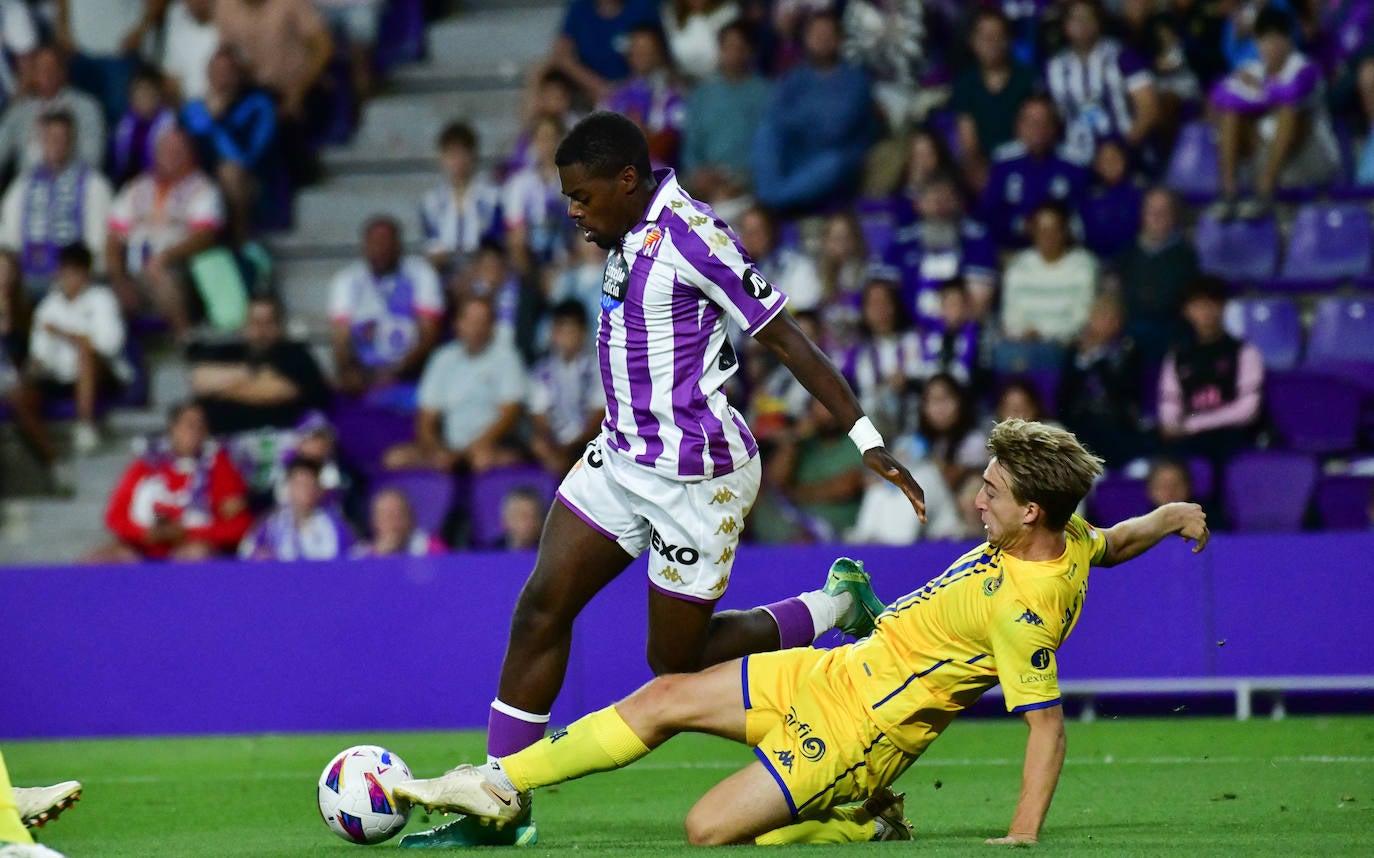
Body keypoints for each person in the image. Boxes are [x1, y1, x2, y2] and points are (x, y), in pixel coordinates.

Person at [396, 111, 925, 848]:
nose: (573, 212)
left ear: (625, 181)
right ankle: (497, 799)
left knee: (676, 665)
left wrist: (865, 436)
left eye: (582, 198)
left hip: (695, 480)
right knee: (541, 607)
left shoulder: (695, 236)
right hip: (619, 459)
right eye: (567, 198)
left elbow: (784, 335)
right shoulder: (618, 228)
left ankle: (836, 603)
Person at [397, 419, 1211, 848]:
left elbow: (1045, 726)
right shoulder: (1065, 538)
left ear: (1029, 510)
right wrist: (1170, 515)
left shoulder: (1026, 606)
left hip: (856, 734)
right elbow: (1113, 543)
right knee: (666, 693)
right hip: (837, 670)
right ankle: (499, 782)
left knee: (705, 832)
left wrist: (1024, 834)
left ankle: (855, 820)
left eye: (991, 493)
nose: (978, 502)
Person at [1207, 5, 1341, 220]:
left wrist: (1260, 88)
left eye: (1279, 38)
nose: (1273, 46)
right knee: (1230, 113)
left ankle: (1264, 190)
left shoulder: (1305, 67)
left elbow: (1292, 92)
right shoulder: (1251, 69)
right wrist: (1259, 90)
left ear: (1289, 40)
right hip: (1270, 158)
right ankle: (1228, 192)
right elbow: (1219, 95)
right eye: (1266, 39)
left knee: (1290, 111)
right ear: (1257, 42)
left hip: (1312, 159)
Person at [9, 244, 130, 469]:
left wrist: (65, 335)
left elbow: (108, 345)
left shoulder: (102, 299)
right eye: (66, 272)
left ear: (86, 274)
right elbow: (40, 352)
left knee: (85, 355)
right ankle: (54, 462)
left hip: (102, 374)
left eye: (77, 273)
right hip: (59, 375)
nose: (71, 278)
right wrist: (35, 366)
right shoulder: (48, 306)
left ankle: (85, 424)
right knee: (19, 395)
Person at [88, 401, 253, 562]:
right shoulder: (145, 465)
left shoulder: (220, 467)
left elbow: (240, 526)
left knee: (195, 554)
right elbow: (115, 516)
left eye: (200, 426)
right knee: (100, 559)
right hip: (144, 546)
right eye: (188, 425)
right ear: (172, 429)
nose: (195, 432)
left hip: (194, 547)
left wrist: (187, 533)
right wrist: (146, 534)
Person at [380, 296, 527, 474]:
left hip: (490, 446)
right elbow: (426, 417)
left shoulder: (507, 357)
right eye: (471, 321)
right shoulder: (443, 358)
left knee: (482, 460)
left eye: (483, 322)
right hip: (449, 446)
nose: (476, 329)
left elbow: (509, 415)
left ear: (492, 326)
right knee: (395, 458)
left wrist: (473, 448)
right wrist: (435, 450)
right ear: (458, 323)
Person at [105, 128, 226, 338]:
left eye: (177, 150)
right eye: (165, 150)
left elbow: (205, 236)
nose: (171, 155)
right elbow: (113, 239)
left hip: (178, 267)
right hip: (132, 270)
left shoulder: (203, 188)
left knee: (161, 277)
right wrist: (119, 279)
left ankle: (186, 341)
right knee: (103, 297)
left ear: (190, 153)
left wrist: (167, 256)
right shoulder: (136, 187)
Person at [752, 11, 877, 212]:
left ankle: (771, 202)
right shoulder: (794, 77)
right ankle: (773, 195)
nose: (821, 38)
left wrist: (799, 118)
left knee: (832, 162)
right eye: (816, 33)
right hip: (796, 154)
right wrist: (812, 117)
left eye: (828, 33)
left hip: (835, 160)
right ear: (806, 38)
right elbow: (775, 119)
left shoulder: (855, 79)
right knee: (766, 131)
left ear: (839, 39)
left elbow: (835, 128)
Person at [329, 216, 443, 401]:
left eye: (387, 242)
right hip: (363, 373)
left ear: (399, 246)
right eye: (375, 243)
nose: (381, 249)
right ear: (364, 247)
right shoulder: (346, 280)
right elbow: (340, 338)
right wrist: (349, 370)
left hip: (411, 371)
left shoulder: (421, 275)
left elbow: (429, 334)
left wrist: (398, 370)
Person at [1157, 275, 1264, 467]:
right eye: (1197, 306)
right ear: (1186, 312)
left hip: (1229, 433)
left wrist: (1193, 424)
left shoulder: (1244, 352)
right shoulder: (1177, 356)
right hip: (1190, 436)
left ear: (1222, 307)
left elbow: (1248, 409)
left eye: (1210, 305)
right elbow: (1169, 400)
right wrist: (1171, 423)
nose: (1205, 312)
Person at [0, 111, 113, 292]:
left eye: (62, 138)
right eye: (50, 137)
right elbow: (8, 235)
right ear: (41, 141)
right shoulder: (23, 184)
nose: (56, 144)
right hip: (26, 277)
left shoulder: (93, 184)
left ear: (72, 142)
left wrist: (77, 271)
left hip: (75, 278)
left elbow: (99, 240)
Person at [189, 295, 330, 436]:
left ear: (279, 325)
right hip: (227, 441)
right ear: (244, 324)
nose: (261, 329)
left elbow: (275, 392)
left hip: (284, 441)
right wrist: (253, 374)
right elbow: (200, 380)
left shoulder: (296, 355)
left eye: (268, 322)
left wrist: (222, 390)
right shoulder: (228, 351)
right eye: (255, 322)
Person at [179, 46, 279, 243]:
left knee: (230, 173)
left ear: (238, 75)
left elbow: (251, 156)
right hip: (199, 175)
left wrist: (218, 121)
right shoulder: (193, 109)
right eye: (216, 72)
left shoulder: (258, 105)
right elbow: (182, 150)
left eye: (228, 72)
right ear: (208, 75)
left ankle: (239, 243)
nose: (222, 78)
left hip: (249, 178)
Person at [1045, 0, 1158, 167]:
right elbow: (1049, 113)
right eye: (1074, 19)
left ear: (1099, 22)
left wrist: (1126, 146)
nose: (1081, 24)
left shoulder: (1122, 56)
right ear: (1065, 25)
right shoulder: (1054, 66)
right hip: (1074, 155)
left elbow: (1149, 108)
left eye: (1087, 18)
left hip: (1124, 149)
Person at [976, 96, 1090, 249]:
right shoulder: (1004, 161)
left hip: (1062, 249)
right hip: (1012, 248)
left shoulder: (1073, 163)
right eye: (1030, 123)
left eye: (1044, 122)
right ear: (1019, 127)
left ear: (1055, 127)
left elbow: (1082, 214)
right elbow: (990, 211)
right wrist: (1020, 225)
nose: (1038, 129)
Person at [679, 20, 771, 210]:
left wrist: (739, 180)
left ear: (750, 51)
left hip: (747, 178)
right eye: (727, 47)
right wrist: (699, 173)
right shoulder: (702, 93)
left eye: (739, 47)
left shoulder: (767, 94)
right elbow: (691, 144)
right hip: (705, 177)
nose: (733, 54)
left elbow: (767, 147)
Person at [1106, 186, 1198, 366]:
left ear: (1174, 216)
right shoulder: (1126, 256)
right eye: (1151, 211)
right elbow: (1114, 299)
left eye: (1163, 212)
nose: (1156, 217)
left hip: (1171, 332)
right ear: (1143, 214)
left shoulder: (1187, 257)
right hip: (1130, 331)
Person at [998, 203, 1100, 361]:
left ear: (1065, 231)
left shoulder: (1083, 265)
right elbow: (1011, 317)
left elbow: (1082, 318)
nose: (1047, 236)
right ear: (1033, 231)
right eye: (1041, 229)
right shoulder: (1018, 267)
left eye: (1054, 229)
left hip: (1066, 347)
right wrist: (1024, 333)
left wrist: (1045, 335)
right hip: (1024, 344)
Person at [951, 8, 1037, 191]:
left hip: (1022, 163)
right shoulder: (965, 84)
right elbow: (968, 141)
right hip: (982, 169)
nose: (991, 43)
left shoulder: (1027, 79)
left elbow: (1033, 130)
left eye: (997, 36)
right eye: (985, 37)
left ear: (1008, 40)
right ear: (973, 42)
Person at [0, 45, 105, 175]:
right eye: (41, 70)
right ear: (33, 75)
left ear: (63, 72)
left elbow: (93, 157)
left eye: (52, 69)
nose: (47, 75)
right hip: (28, 184)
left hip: (74, 182)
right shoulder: (19, 111)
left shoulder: (86, 107)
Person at [528, 300, 603, 476]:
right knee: (536, 444)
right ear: (553, 333)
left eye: (572, 331)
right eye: (562, 331)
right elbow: (539, 414)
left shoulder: (596, 367)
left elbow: (599, 413)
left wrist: (571, 447)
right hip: (555, 443)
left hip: (586, 442)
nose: (567, 337)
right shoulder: (543, 370)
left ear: (583, 332)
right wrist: (553, 444)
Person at [419, 122, 503, 277]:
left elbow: (496, 241)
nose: (458, 162)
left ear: (474, 156)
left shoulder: (492, 197)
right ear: (442, 158)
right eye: (451, 155)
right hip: (446, 272)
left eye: (463, 154)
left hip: (482, 270)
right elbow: (432, 245)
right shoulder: (431, 202)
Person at [601, 24, 686, 168]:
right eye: (636, 49)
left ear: (659, 53)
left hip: (662, 176)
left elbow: (667, 144)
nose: (641, 55)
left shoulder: (673, 93)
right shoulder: (616, 95)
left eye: (647, 50)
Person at [239, 455, 355, 560]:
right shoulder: (272, 523)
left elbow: (352, 555)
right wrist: (258, 554)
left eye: (310, 484)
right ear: (289, 487)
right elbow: (246, 550)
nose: (306, 490)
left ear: (319, 490)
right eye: (300, 484)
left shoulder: (334, 526)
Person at [352, 487, 446, 558]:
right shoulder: (360, 556)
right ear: (374, 522)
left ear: (411, 519)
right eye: (387, 517)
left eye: (399, 516)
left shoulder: (429, 547)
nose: (394, 523)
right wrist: (380, 556)